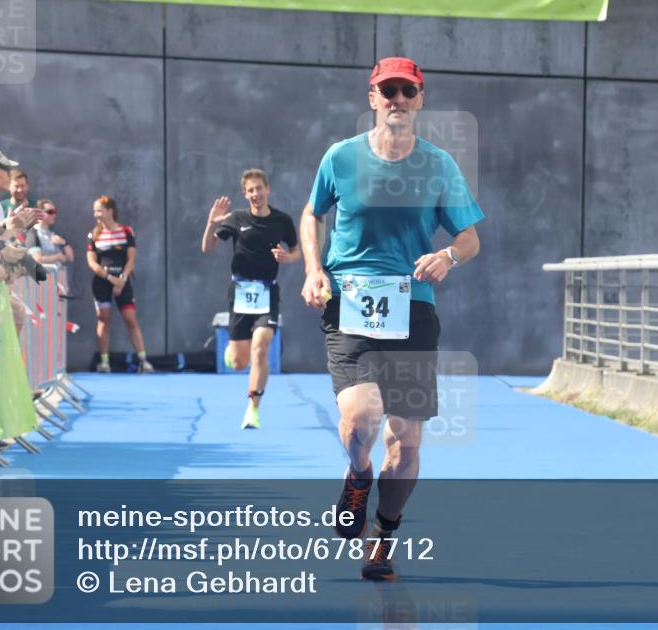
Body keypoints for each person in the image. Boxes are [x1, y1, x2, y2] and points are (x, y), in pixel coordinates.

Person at [300, 57, 483, 581]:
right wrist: (314, 269)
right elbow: (312, 214)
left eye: (408, 90)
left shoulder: (439, 165)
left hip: (413, 308)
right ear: (372, 98)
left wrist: (447, 256)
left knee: (405, 445)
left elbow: (470, 237)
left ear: (420, 99)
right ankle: (357, 475)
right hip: (350, 303)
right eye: (388, 90)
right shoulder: (341, 157)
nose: (398, 99)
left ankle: (383, 537)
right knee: (361, 420)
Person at [201, 168, 299, 429]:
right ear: (245, 194)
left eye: (259, 188)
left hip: (268, 293)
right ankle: (232, 352)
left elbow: (297, 251)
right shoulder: (235, 219)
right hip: (241, 294)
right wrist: (212, 223)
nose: (256, 194)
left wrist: (287, 258)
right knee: (239, 362)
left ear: (268, 189)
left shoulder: (282, 221)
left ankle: (253, 408)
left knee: (261, 346)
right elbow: (207, 248)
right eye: (250, 190)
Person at [86, 195, 153, 374]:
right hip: (102, 283)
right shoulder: (95, 233)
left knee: (131, 320)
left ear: (110, 211)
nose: (96, 214)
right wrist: (109, 278)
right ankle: (104, 362)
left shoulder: (125, 231)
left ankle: (143, 361)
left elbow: (132, 259)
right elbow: (92, 262)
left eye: (99, 210)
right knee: (104, 319)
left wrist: (121, 280)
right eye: (95, 211)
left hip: (123, 283)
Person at [26, 199, 74, 266]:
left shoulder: (54, 233)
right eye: (50, 212)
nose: (54, 215)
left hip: (56, 274)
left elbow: (70, 258)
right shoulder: (33, 233)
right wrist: (57, 257)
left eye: (55, 212)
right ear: (40, 213)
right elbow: (37, 259)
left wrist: (64, 243)